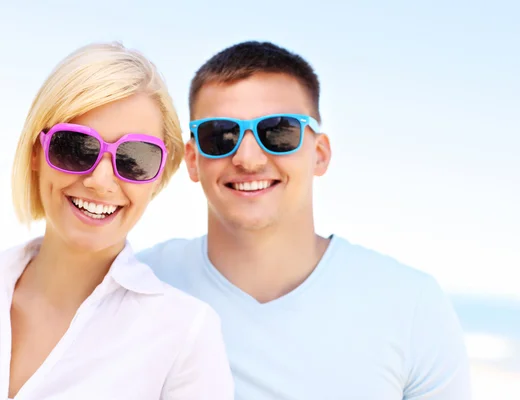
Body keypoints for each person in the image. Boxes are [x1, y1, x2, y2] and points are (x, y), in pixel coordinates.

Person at [136, 41, 472, 399]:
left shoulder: (413, 306)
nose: (248, 158)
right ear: (192, 159)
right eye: (220, 136)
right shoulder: (139, 287)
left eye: (278, 132)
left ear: (320, 154)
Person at [0, 42, 234, 399]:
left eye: (135, 159)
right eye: (76, 147)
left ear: (158, 177)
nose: (100, 181)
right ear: (37, 153)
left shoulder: (185, 337)